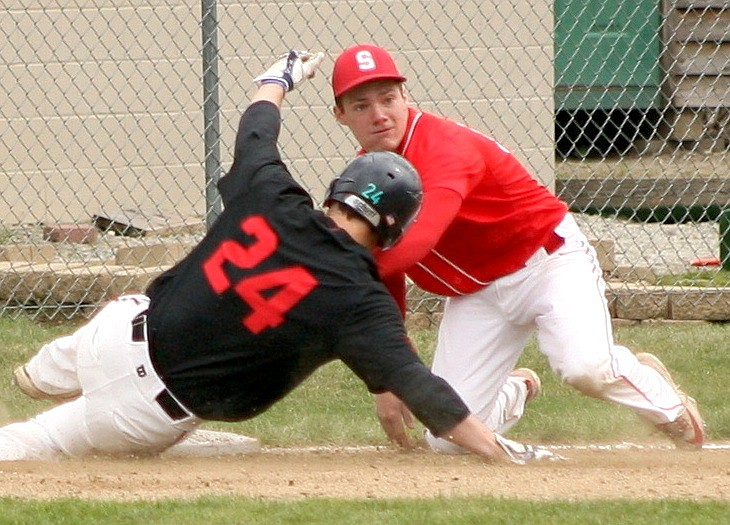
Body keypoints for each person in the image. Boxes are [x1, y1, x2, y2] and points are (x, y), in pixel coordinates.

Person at [1, 49, 549, 464]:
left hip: (116, 331)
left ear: (337, 189)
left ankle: (43, 372)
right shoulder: (360, 300)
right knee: (29, 446)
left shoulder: (273, 196)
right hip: (146, 414)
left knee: (105, 328)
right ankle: (44, 398)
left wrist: (276, 82)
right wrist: (500, 453)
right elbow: (429, 395)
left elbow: (256, 133)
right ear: (394, 226)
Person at [330, 43, 706, 452]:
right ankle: (517, 388)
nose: (380, 114)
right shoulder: (369, 174)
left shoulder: (445, 148)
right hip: (477, 294)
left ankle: (667, 404)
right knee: (449, 440)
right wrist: (388, 374)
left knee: (586, 368)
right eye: (361, 105)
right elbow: (387, 271)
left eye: (388, 98)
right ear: (341, 114)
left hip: (546, 265)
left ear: (406, 96)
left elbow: (415, 241)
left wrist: (343, 267)